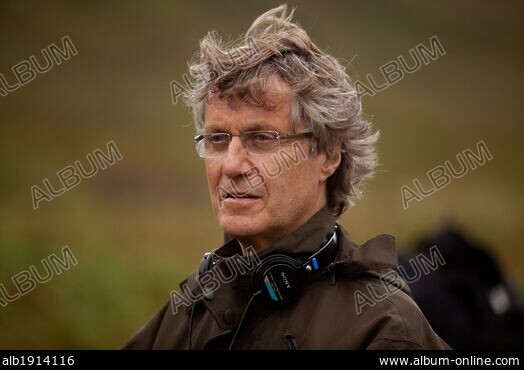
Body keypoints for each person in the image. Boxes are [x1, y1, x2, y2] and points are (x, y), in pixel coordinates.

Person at [123, 4, 450, 350]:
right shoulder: (190, 309)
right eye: (217, 139)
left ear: (328, 155)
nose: (231, 165)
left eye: (262, 139)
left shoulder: (385, 330)